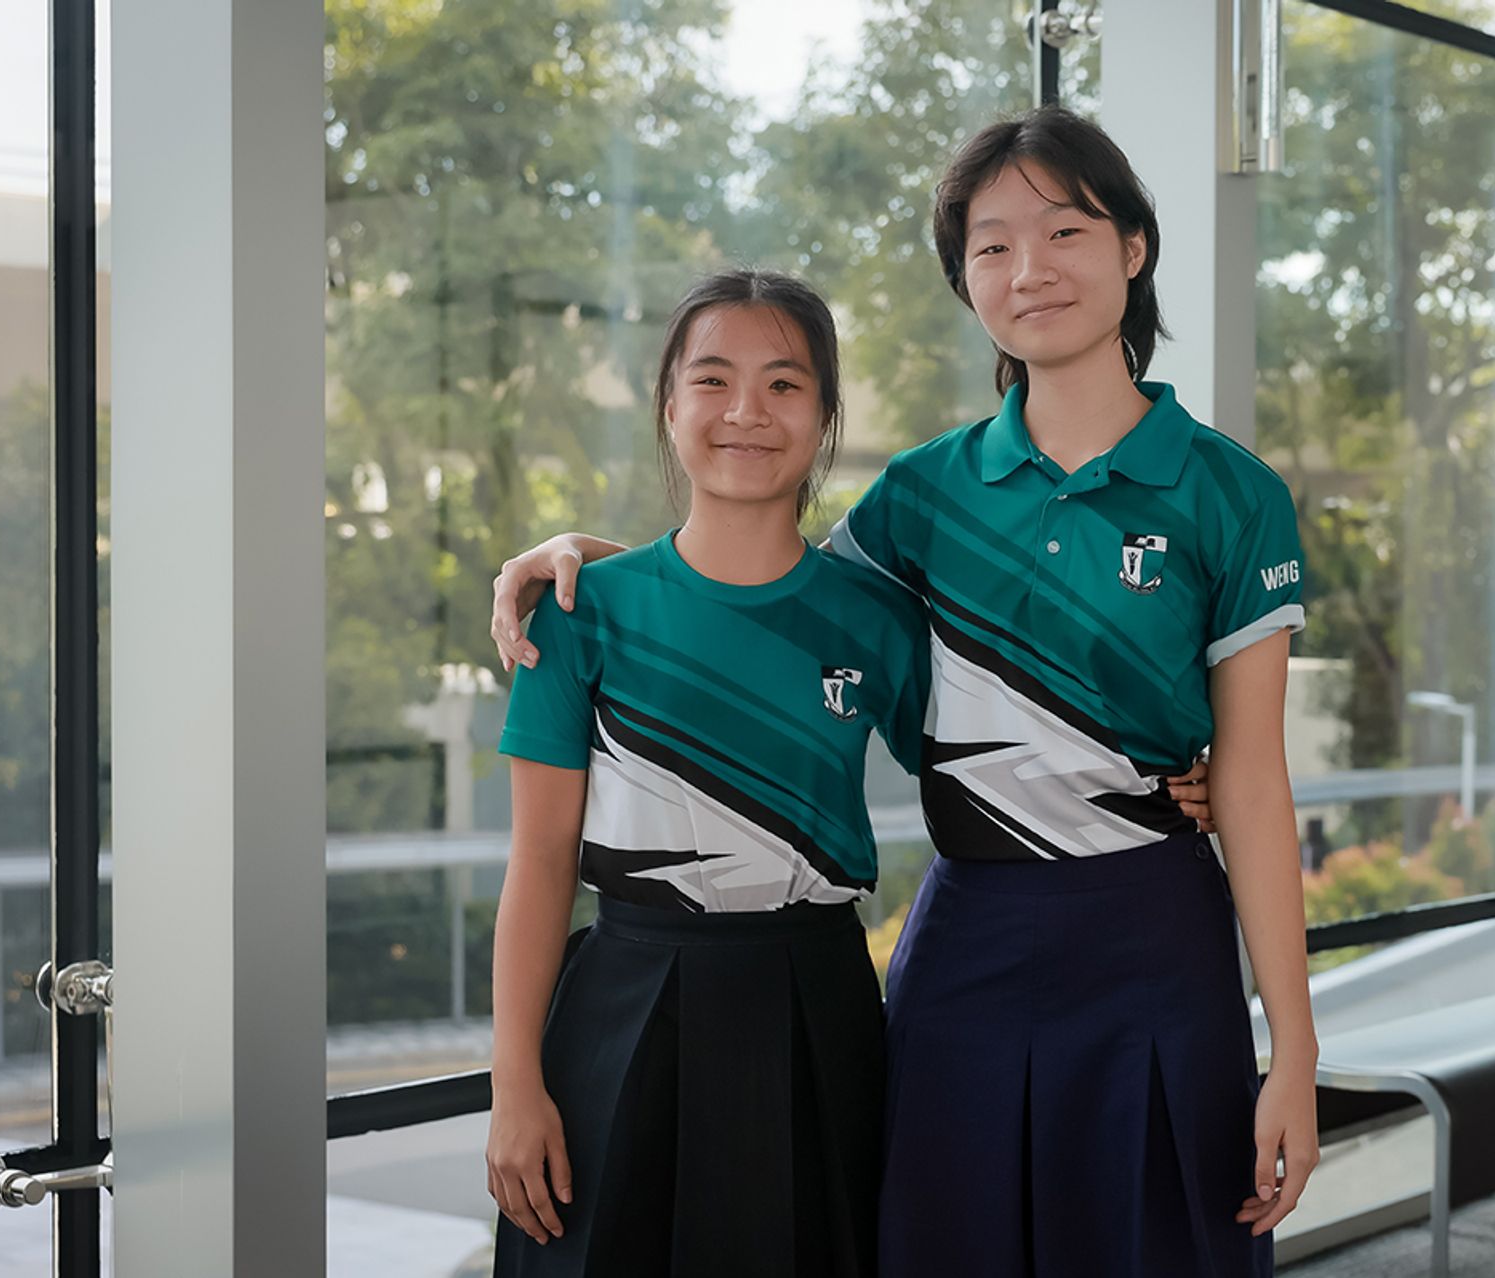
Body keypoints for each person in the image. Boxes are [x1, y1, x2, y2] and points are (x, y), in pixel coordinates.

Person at [492, 108, 1318, 1277]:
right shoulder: (921, 498)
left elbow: (1252, 780)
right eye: (991, 245)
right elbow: (754, 596)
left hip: (1158, 934)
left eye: (1065, 229)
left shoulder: (1232, 495)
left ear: (1134, 247)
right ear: (965, 280)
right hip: (968, 936)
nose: (1029, 269)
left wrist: (1292, 1043)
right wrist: (584, 558)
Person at [486, 269, 930, 1278]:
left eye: (784, 384)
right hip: (622, 1008)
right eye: (713, 379)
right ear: (669, 405)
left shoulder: (876, 622)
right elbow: (540, 857)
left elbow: (995, 773)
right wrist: (516, 1082)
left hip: (817, 1006)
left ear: (823, 417)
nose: (746, 412)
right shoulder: (577, 611)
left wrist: (1183, 779)